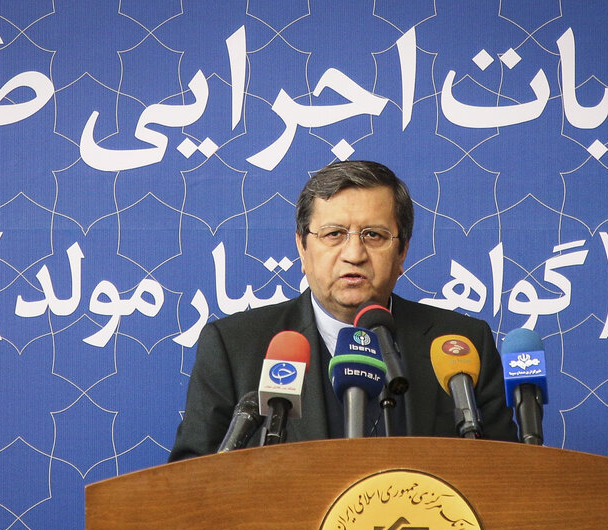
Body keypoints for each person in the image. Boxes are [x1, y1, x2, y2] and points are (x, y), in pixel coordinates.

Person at [168, 161, 517, 461]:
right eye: (334, 234)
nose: (354, 254)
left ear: (403, 252)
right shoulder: (234, 347)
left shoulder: (462, 344)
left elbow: (505, 475)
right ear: (302, 248)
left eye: (374, 235)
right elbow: (190, 482)